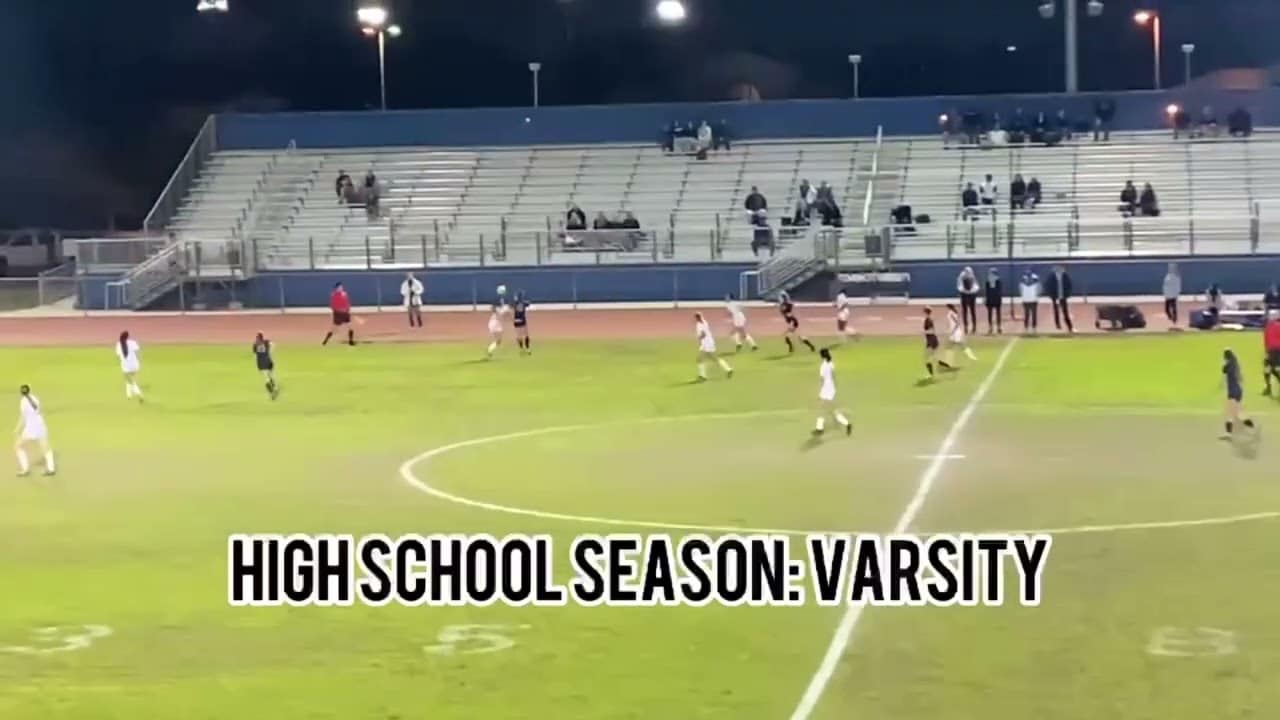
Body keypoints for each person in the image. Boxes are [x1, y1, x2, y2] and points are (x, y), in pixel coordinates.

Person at [14, 385, 55, 476]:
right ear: (29, 391)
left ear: (21, 393)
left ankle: (25, 469)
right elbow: (39, 411)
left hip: (30, 429)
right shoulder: (35, 398)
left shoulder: (23, 402)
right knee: (46, 448)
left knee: (18, 446)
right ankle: (51, 468)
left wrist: (17, 428)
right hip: (41, 426)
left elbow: (23, 417)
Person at [812, 347, 851, 437]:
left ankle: (847, 424)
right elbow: (833, 376)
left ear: (821, 356)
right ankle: (820, 428)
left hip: (826, 389)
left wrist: (819, 391)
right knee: (828, 410)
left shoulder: (823, 366)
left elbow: (822, 379)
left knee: (827, 410)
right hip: (831, 388)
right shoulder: (831, 363)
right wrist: (834, 387)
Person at [1221, 349, 1257, 440]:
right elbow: (1240, 379)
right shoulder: (1236, 365)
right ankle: (1253, 428)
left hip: (1232, 391)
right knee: (1239, 413)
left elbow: (1224, 370)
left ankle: (1228, 434)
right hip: (1238, 391)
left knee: (1231, 413)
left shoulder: (1229, 365)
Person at [694, 313, 733, 382]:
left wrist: (699, 338)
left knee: (700, 359)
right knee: (713, 358)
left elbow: (703, 334)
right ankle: (728, 369)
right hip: (709, 343)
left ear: (697, 318)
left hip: (706, 344)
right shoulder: (704, 321)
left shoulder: (699, 325)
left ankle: (703, 376)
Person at [1043, 265, 1074, 333]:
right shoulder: (1051, 277)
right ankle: (1057, 324)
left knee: (1065, 312)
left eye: (1060, 270)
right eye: (1057, 270)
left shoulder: (1065, 276)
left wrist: (1067, 295)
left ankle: (1069, 326)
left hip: (1063, 297)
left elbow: (1069, 285)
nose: (1059, 272)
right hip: (1055, 297)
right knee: (1056, 312)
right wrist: (1052, 296)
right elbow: (1047, 286)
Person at [921, 307, 950, 381]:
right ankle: (944, 365)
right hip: (931, 341)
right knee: (932, 357)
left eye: (923, 312)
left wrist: (924, 332)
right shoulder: (927, 320)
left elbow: (932, 331)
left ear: (926, 313)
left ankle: (932, 374)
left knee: (927, 358)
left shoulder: (928, 320)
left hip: (932, 341)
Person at [115, 331, 143, 402]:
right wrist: (139, 361)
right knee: (131, 379)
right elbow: (137, 352)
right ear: (128, 336)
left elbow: (118, 356)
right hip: (135, 364)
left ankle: (139, 394)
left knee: (131, 381)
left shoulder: (119, 344)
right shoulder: (133, 342)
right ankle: (129, 395)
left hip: (126, 365)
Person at [253, 333, 280, 400]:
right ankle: (275, 388)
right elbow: (273, 344)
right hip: (269, 361)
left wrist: (257, 365)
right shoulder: (266, 342)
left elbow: (255, 355)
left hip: (262, 364)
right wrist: (270, 352)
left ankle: (272, 393)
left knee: (267, 378)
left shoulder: (255, 345)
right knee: (271, 375)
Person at [956, 266, 980, 334]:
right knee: (965, 311)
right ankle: (966, 326)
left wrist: (973, 291)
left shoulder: (972, 276)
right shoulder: (961, 276)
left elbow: (976, 285)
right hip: (964, 294)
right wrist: (963, 290)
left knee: (972, 310)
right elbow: (959, 285)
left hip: (972, 295)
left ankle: (974, 326)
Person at [1263, 312, 1280, 397]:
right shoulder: (1270, 326)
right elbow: (1266, 339)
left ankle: (1268, 388)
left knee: (1271, 369)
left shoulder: (1269, 326)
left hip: (1274, 351)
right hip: (1272, 351)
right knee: (1269, 369)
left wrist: (1266, 351)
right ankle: (1268, 388)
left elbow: (1266, 340)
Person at [983, 268, 1003, 335]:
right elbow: (986, 291)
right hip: (990, 298)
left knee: (997, 313)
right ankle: (990, 327)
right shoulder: (987, 281)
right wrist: (985, 298)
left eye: (992, 273)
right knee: (990, 313)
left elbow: (999, 290)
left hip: (996, 298)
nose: (991, 275)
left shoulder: (998, 281)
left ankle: (998, 327)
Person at [1019, 269, 1040, 334]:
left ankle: (1032, 327)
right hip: (1028, 300)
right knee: (1028, 314)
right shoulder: (1024, 281)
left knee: (1031, 314)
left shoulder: (1034, 279)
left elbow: (1038, 289)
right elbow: (1021, 290)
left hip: (1031, 300)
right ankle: (1028, 327)